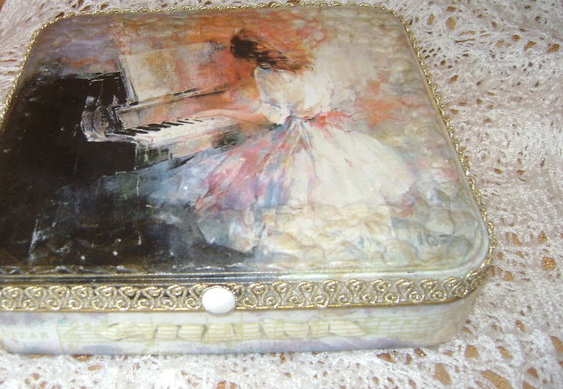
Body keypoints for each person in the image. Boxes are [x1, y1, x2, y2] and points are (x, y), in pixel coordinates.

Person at [147, 29, 415, 265]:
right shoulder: (309, 67)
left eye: (236, 60)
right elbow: (308, 102)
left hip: (296, 136)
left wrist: (221, 112)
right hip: (325, 132)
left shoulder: (267, 74)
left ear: (246, 56)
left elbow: (272, 117)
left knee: (273, 182)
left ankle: (279, 248)